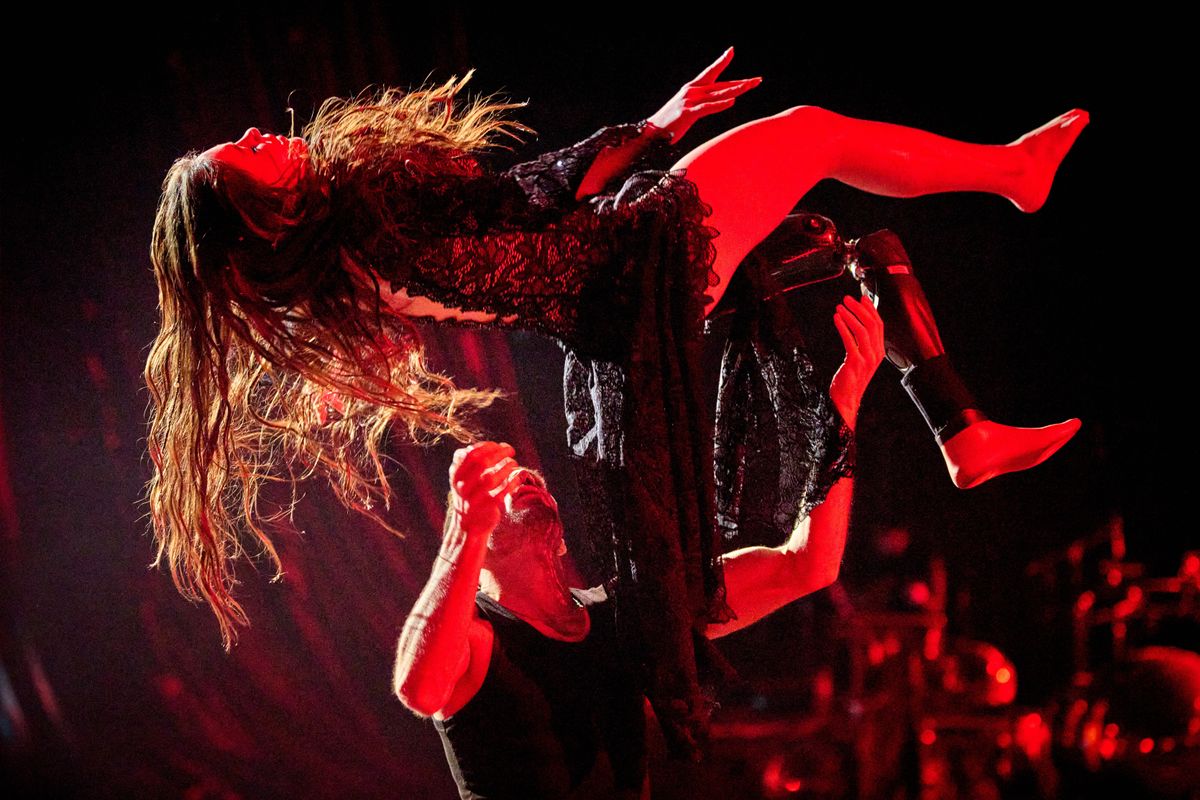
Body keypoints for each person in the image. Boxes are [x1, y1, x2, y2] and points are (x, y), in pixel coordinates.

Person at [144, 47, 1087, 751]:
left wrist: (656, 126)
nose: (260, 134)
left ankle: (962, 428)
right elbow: (528, 211)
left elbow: (521, 205)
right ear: (257, 217)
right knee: (814, 134)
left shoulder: (361, 256)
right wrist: (654, 134)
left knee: (844, 249)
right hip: (637, 261)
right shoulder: (371, 248)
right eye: (243, 156)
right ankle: (1014, 173)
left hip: (623, 282)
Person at [392, 294, 884, 799]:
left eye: (532, 479)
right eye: (500, 488)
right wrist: (465, 531)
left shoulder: (628, 617)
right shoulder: (478, 636)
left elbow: (805, 565)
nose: (523, 478)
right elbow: (419, 691)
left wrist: (842, 408)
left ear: (560, 539)